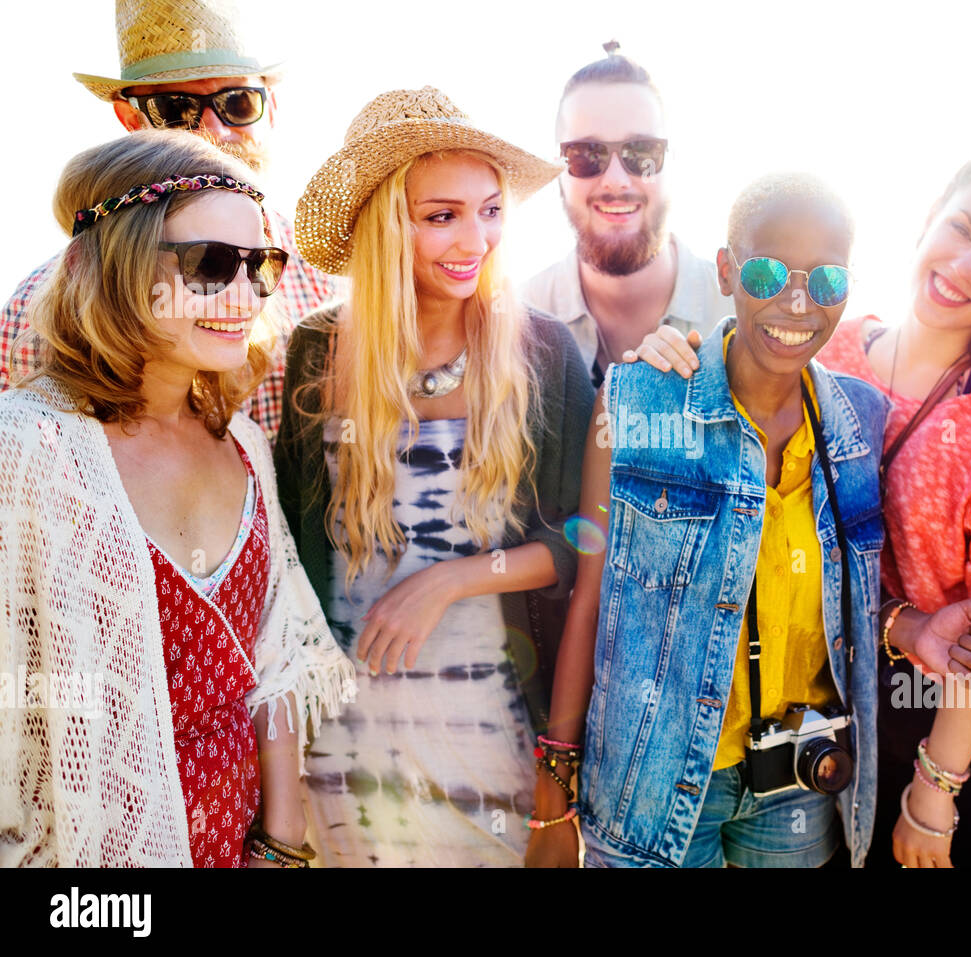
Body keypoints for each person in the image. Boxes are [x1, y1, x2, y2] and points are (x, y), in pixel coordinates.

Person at [630, 155, 971, 867]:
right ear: (925, 221)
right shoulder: (836, 346)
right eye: (960, 229)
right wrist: (668, 352)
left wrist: (936, 788)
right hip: (850, 701)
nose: (966, 266)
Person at [526, 172, 971, 869]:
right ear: (725, 271)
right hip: (649, 776)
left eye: (826, 281)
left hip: (797, 784)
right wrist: (556, 786)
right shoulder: (639, 399)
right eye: (766, 271)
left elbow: (842, 592)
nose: (796, 301)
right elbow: (591, 599)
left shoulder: (857, 421)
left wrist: (911, 627)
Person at [0, 130, 354, 867]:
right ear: (119, 265)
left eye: (260, 265)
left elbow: (277, 664)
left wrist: (280, 849)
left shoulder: (245, 447)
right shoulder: (27, 448)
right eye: (210, 264)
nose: (246, 294)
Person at [277, 87, 594, 867]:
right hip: (345, 743)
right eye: (441, 215)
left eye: (489, 210)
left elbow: (581, 545)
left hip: (491, 735)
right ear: (389, 226)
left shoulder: (542, 351)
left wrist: (450, 579)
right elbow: (289, 554)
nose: (474, 239)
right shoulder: (318, 352)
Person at [0, 0, 339, 441]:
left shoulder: (328, 278)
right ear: (129, 119)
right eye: (175, 107)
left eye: (237, 102)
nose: (213, 130)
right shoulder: (40, 311)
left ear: (270, 109)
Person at [522, 42, 731, 386]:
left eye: (642, 152)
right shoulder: (512, 327)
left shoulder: (741, 317)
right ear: (557, 169)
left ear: (672, 163)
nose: (616, 181)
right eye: (586, 154)